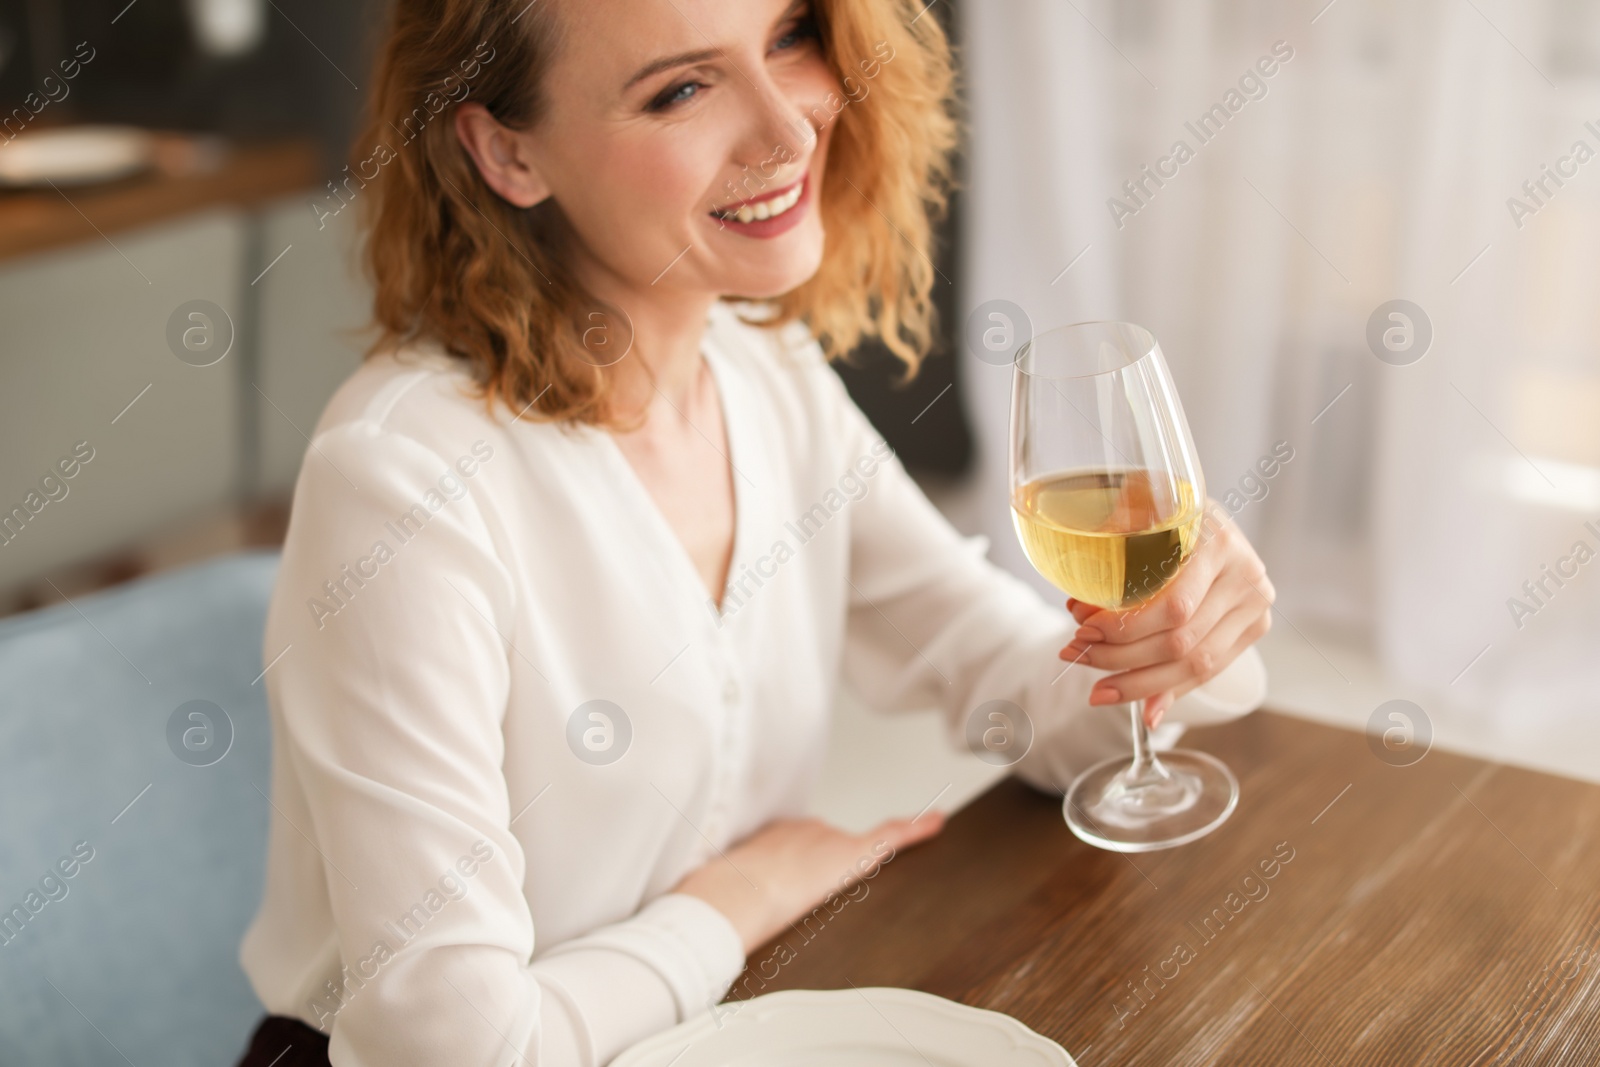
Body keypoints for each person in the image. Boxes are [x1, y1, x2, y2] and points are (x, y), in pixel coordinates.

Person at [235, 0, 1273, 1063]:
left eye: (787, 37)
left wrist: (1175, 631)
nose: (789, 129)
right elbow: (456, 1048)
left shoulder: (762, 376)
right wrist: (735, 900)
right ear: (507, 150)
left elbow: (1013, 687)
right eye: (679, 89)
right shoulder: (401, 483)